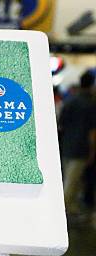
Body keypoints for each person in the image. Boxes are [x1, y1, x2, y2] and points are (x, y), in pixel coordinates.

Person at [59, 70, 96, 223]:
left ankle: (70, 209)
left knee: (67, 179)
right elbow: (92, 131)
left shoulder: (70, 100)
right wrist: (92, 151)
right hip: (81, 148)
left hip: (66, 145)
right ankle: (62, 215)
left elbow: (61, 124)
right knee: (72, 182)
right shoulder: (91, 104)